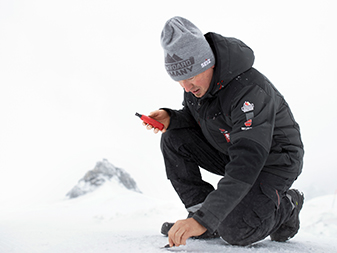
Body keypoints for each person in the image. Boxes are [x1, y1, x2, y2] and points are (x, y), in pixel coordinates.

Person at [143, 16, 304, 247]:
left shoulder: (248, 91)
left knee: (237, 231)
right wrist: (172, 118)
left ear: (207, 63)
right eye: (179, 80)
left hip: (274, 160)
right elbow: (200, 118)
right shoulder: (199, 86)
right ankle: (202, 217)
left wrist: (207, 219)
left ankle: (288, 204)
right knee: (174, 137)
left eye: (189, 78)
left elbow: (247, 160)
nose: (186, 87)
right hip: (231, 148)